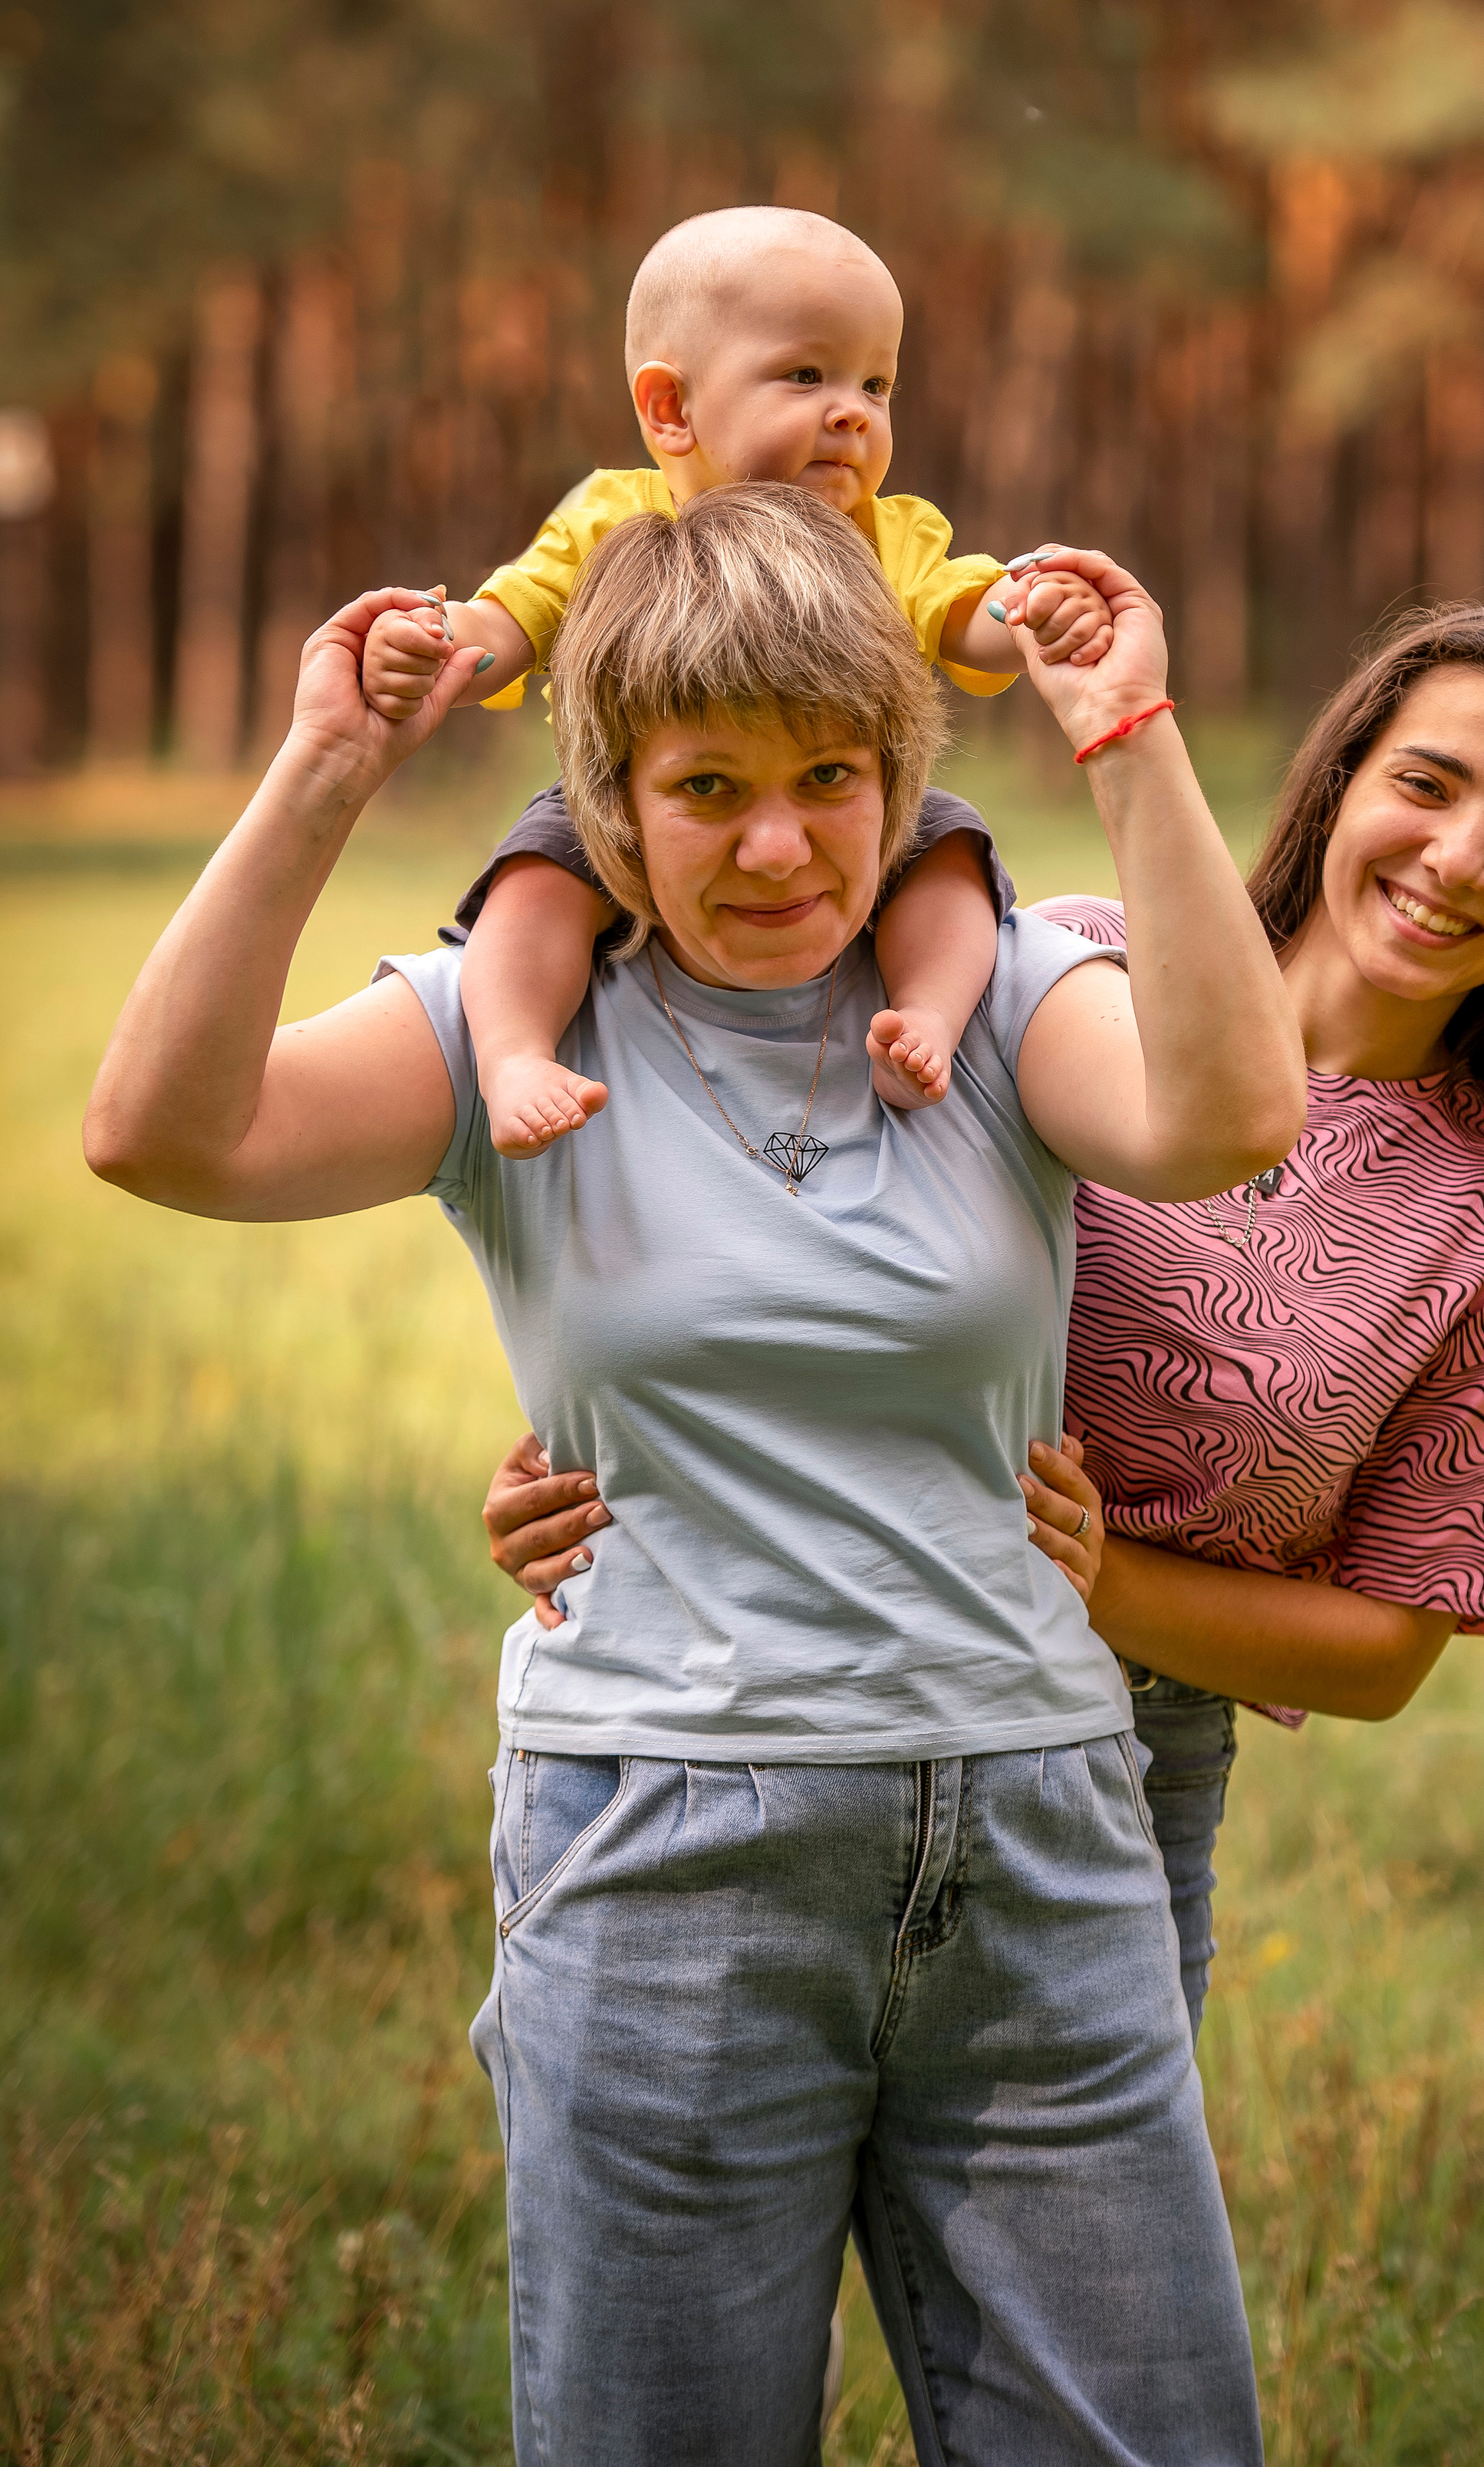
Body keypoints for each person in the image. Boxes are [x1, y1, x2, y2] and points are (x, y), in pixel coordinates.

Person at [84, 480, 1306, 2466]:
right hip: (667, 1848)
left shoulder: (988, 997)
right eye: (706, 781)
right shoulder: (516, 1030)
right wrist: (327, 765)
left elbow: (1231, 1109)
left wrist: (1132, 736)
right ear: (613, 802)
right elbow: (159, 1130)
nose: (776, 841)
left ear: (901, 771)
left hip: (1035, 1846)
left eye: (833, 774)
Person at [485, 601, 1484, 2041]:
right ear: (1340, 784)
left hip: (1130, 1755)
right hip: (765, 1685)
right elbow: (750, 1192)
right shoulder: (1061, 967)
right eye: (1428, 784)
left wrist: (1103, 1580)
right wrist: (591, 1456)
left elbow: (1389, 1650)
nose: (1459, 859)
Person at [357, 203, 1117, 1155]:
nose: (852, 410)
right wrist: (431, 648)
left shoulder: (889, 532)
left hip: (851, 804)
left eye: (876, 383)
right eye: (806, 374)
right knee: (538, 877)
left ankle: (926, 1019)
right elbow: (511, 618)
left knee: (951, 858)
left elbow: (965, 611)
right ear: (670, 409)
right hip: (641, 808)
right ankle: (512, 1055)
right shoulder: (613, 521)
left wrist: (1036, 611)